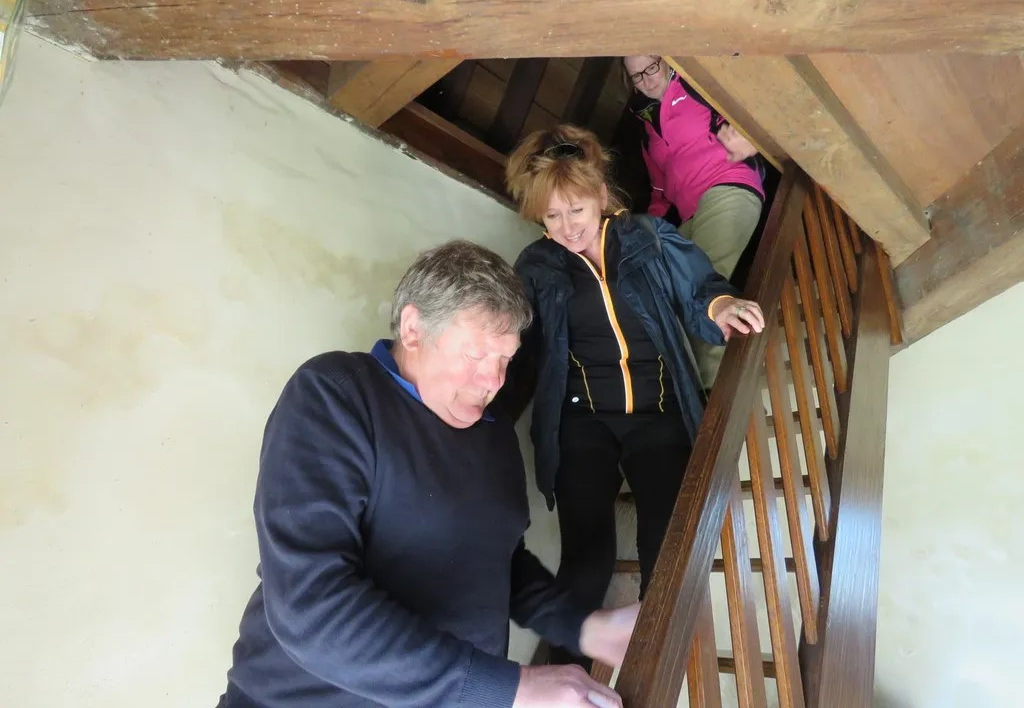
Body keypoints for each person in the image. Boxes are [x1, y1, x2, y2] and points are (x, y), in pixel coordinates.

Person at [216, 240, 639, 708]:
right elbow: (309, 605)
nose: (494, 381)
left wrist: (584, 626)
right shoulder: (337, 395)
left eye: (505, 360)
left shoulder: (494, 432)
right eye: (476, 355)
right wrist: (509, 688)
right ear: (414, 329)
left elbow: (497, 562)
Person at [500, 126, 765, 667]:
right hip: (582, 422)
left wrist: (722, 308)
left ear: (601, 196)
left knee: (664, 550)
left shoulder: (648, 237)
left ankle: (651, 665)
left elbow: (699, 288)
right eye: (553, 216)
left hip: (657, 412)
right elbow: (521, 349)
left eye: (576, 209)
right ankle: (562, 683)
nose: (567, 227)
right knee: (586, 560)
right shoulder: (537, 265)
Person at [622, 55, 766, 389]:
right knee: (668, 290)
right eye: (636, 76)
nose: (646, 80)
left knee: (705, 285)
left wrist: (752, 136)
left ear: (666, 59)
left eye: (651, 67)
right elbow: (660, 190)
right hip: (688, 213)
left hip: (727, 185)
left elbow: (756, 108)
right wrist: (648, 231)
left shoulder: (698, 84)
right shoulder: (646, 126)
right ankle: (683, 386)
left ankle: (712, 390)